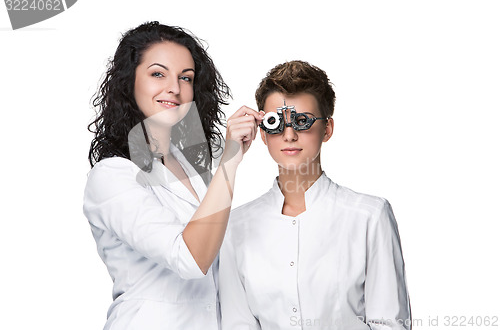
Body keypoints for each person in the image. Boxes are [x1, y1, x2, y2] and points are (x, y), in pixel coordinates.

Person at [83, 21, 262, 330]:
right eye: (157, 74)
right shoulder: (112, 176)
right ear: (129, 83)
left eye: (186, 77)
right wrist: (230, 161)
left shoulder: (194, 166)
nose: (175, 88)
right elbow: (191, 259)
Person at [219, 60, 411, 329]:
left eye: (302, 122)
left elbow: (390, 324)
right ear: (262, 134)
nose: (289, 135)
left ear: (327, 129)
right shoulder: (235, 227)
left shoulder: (369, 216)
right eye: (276, 123)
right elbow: (236, 323)